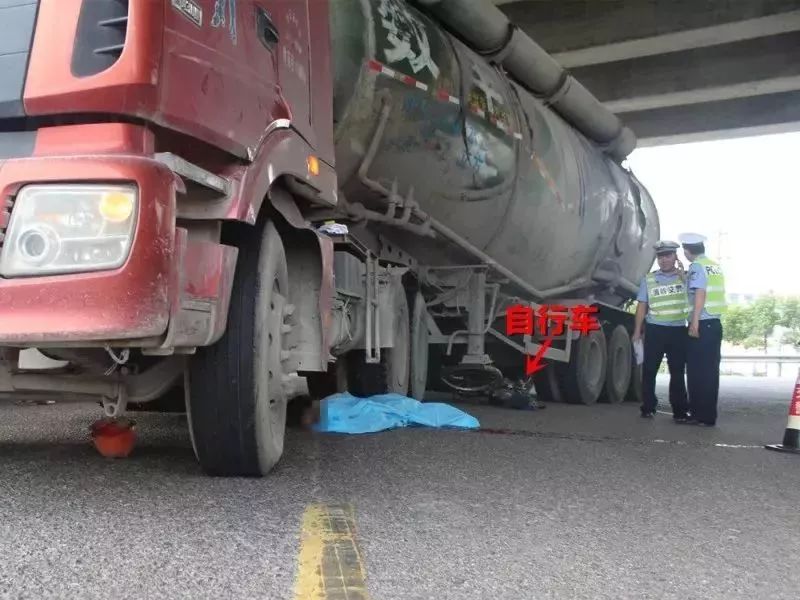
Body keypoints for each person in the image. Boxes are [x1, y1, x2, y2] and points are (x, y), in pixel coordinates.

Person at [632, 240, 691, 421]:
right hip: (655, 330)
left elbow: (696, 298)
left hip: (678, 330)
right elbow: (642, 306)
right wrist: (637, 331)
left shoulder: (686, 277)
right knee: (649, 370)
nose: (664, 260)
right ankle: (648, 407)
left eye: (668, 255)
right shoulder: (649, 279)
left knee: (677, 372)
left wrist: (684, 278)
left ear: (675, 257)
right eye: (660, 256)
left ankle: (680, 411)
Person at [678, 232, 726, 427]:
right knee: (710, 371)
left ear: (687, 251)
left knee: (698, 371)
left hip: (702, 324)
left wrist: (694, 322)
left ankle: (699, 414)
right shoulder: (714, 266)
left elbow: (700, 292)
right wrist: (684, 277)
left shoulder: (697, 266)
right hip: (714, 324)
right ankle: (707, 415)